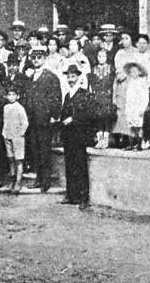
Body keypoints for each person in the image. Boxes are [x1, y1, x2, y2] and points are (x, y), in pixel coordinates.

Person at [22, 46, 62, 192]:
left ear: (44, 58)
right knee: (35, 150)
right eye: (34, 58)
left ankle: (46, 181)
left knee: (44, 150)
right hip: (32, 120)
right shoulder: (31, 77)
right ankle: (38, 179)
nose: (36, 60)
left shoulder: (51, 76)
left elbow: (57, 98)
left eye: (39, 57)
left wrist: (54, 116)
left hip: (44, 119)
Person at [58, 64, 93, 209]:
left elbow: (88, 114)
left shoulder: (84, 94)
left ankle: (83, 198)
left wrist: (73, 119)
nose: (71, 79)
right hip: (68, 136)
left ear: (78, 77)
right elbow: (64, 114)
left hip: (79, 136)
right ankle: (71, 195)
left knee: (80, 166)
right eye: (69, 77)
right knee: (70, 166)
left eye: (73, 77)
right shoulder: (67, 95)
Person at [2, 85, 28, 194]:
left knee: (18, 160)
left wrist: (20, 133)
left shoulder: (20, 108)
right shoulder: (6, 107)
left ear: (17, 96)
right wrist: (4, 133)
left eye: (13, 95)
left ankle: (18, 181)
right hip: (7, 135)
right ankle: (12, 179)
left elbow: (25, 123)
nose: (11, 97)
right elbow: (5, 121)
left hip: (17, 137)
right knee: (10, 159)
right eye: (9, 95)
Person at [88, 49, 115, 149]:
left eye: (103, 56)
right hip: (97, 95)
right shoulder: (94, 68)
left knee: (106, 117)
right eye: (99, 56)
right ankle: (99, 139)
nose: (101, 58)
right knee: (98, 117)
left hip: (107, 95)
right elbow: (92, 83)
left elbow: (112, 82)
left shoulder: (110, 68)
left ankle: (106, 139)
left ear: (107, 57)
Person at [124, 61, 150, 151]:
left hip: (138, 107)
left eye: (134, 71)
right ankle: (131, 144)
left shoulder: (142, 82)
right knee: (131, 127)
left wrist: (142, 108)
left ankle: (139, 145)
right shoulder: (130, 82)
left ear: (139, 72)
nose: (132, 73)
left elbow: (145, 96)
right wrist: (127, 108)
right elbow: (128, 96)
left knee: (139, 127)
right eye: (131, 72)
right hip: (131, 107)